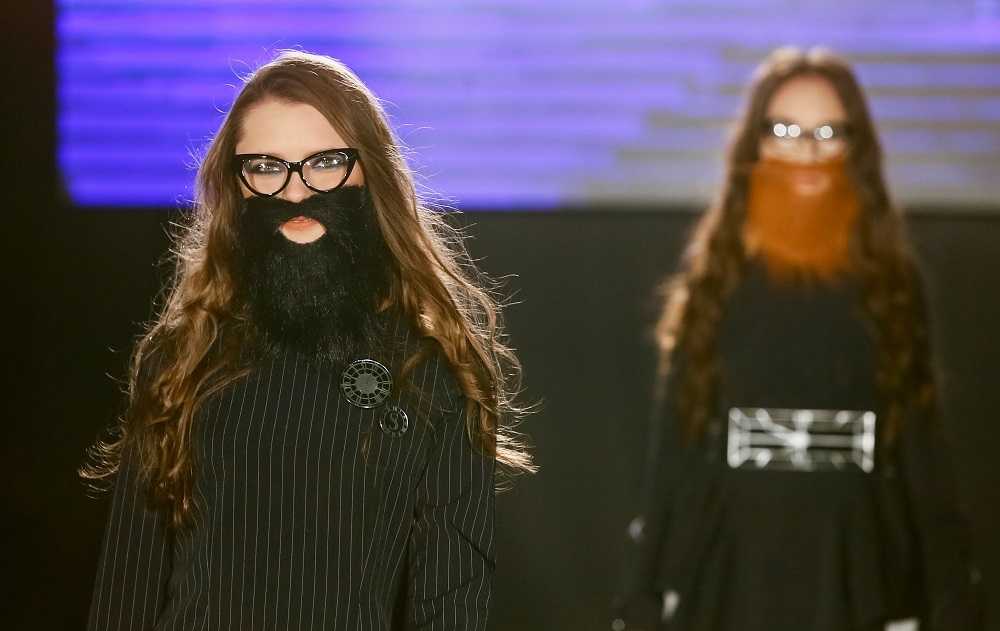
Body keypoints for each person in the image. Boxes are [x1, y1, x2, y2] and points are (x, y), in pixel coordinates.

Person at [83, 50, 532, 630]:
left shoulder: (433, 364)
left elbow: (454, 599)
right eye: (266, 166)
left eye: (324, 163)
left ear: (370, 170)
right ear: (237, 184)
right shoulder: (186, 355)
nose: (296, 192)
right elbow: (128, 581)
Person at [613, 47, 983, 631]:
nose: (807, 150)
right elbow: (676, 442)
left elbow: (921, 447)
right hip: (735, 562)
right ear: (755, 142)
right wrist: (641, 593)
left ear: (856, 145)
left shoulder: (890, 279)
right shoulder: (720, 273)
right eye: (785, 130)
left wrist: (955, 598)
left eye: (828, 132)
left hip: (858, 564)